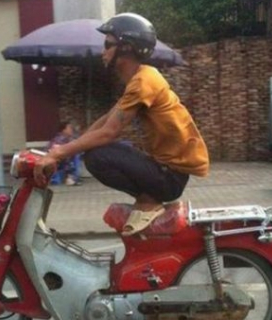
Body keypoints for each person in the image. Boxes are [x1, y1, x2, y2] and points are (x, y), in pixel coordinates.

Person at [35, 13, 209, 235]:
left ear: (126, 48)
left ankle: (149, 201)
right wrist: (67, 150)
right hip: (165, 172)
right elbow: (107, 119)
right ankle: (148, 199)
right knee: (95, 149)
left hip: (168, 178)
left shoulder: (144, 82)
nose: (103, 51)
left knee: (97, 156)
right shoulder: (141, 78)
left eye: (108, 45)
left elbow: (109, 132)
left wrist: (59, 153)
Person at [48, 121, 82, 186]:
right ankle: (72, 177)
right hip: (58, 160)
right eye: (69, 128)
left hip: (61, 160)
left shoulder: (69, 139)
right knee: (75, 155)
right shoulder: (60, 139)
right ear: (63, 130)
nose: (71, 130)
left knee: (75, 154)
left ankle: (71, 176)